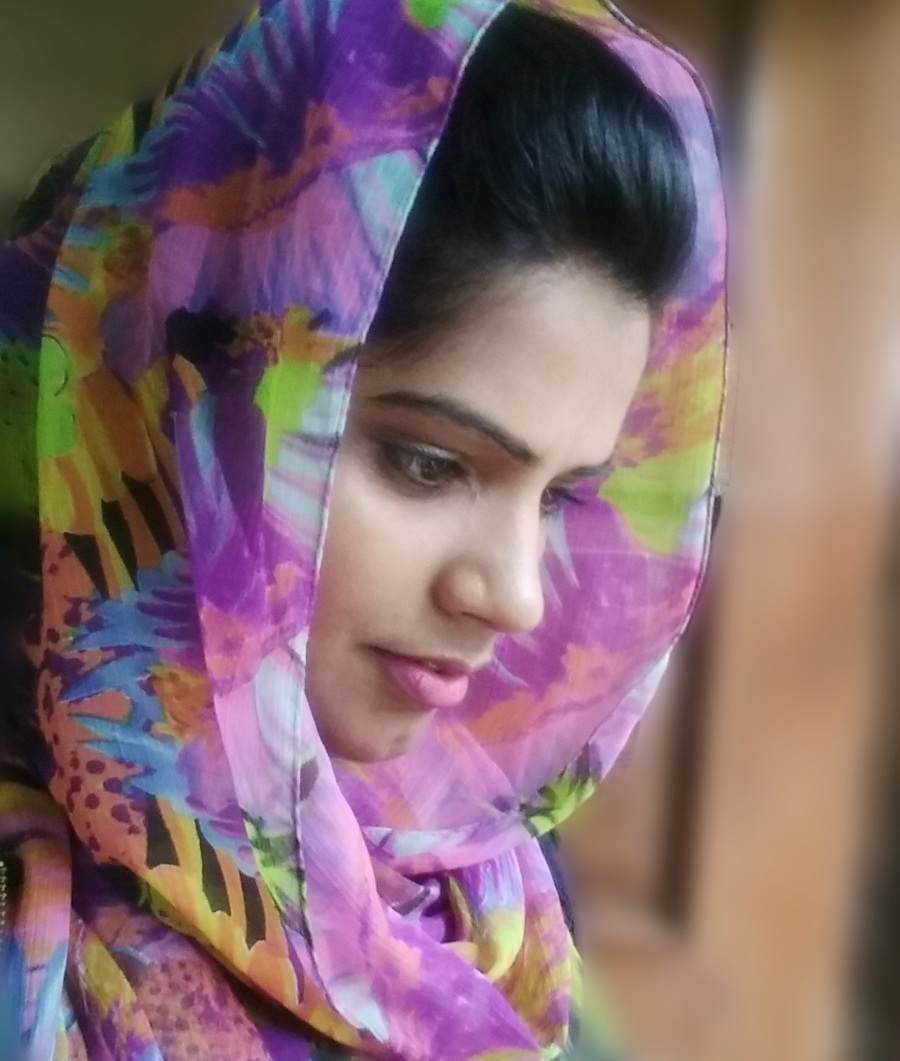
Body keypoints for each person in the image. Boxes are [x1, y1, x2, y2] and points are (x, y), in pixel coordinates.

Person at [0, 1, 727, 1058]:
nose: (517, 596)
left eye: (557, 496)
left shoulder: (487, 890)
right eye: (429, 463)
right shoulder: (37, 938)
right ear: (168, 402)